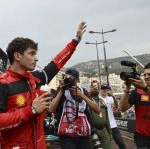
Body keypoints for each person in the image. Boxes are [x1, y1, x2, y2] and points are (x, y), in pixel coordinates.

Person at [0, 21, 86, 149]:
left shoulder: (35, 79)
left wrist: (76, 40)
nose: (36, 58)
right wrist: (32, 110)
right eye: (32, 53)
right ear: (17, 56)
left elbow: (57, 62)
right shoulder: (3, 84)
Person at [49, 68, 100, 149]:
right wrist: (62, 90)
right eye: (67, 78)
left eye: (71, 79)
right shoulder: (61, 92)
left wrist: (82, 95)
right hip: (67, 137)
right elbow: (51, 109)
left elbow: (97, 110)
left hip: (83, 135)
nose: (69, 81)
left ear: (78, 80)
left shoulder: (84, 92)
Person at [119, 63, 150, 148]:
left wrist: (145, 88)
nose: (147, 77)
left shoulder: (143, 89)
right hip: (142, 139)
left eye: (149, 74)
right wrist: (127, 89)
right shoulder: (137, 92)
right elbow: (122, 108)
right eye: (145, 75)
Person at [99, 84, 126, 149]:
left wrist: (113, 96)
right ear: (100, 90)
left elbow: (117, 107)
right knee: (106, 144)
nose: (104, 90)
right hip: (104, 126)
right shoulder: (98, 99)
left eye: (106, 89)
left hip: (113, 124)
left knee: (121, 142)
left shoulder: (110, 98)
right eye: (103, 89)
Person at [89, 80, 112, 149]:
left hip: (103, 130)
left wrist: (110, 133)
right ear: (90, 88)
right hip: (92, 132)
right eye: (93, 86)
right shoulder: (88, 101)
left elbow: (107, 118)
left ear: (99, 89)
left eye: (97, 86)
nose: (95, 88)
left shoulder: (102, 102)